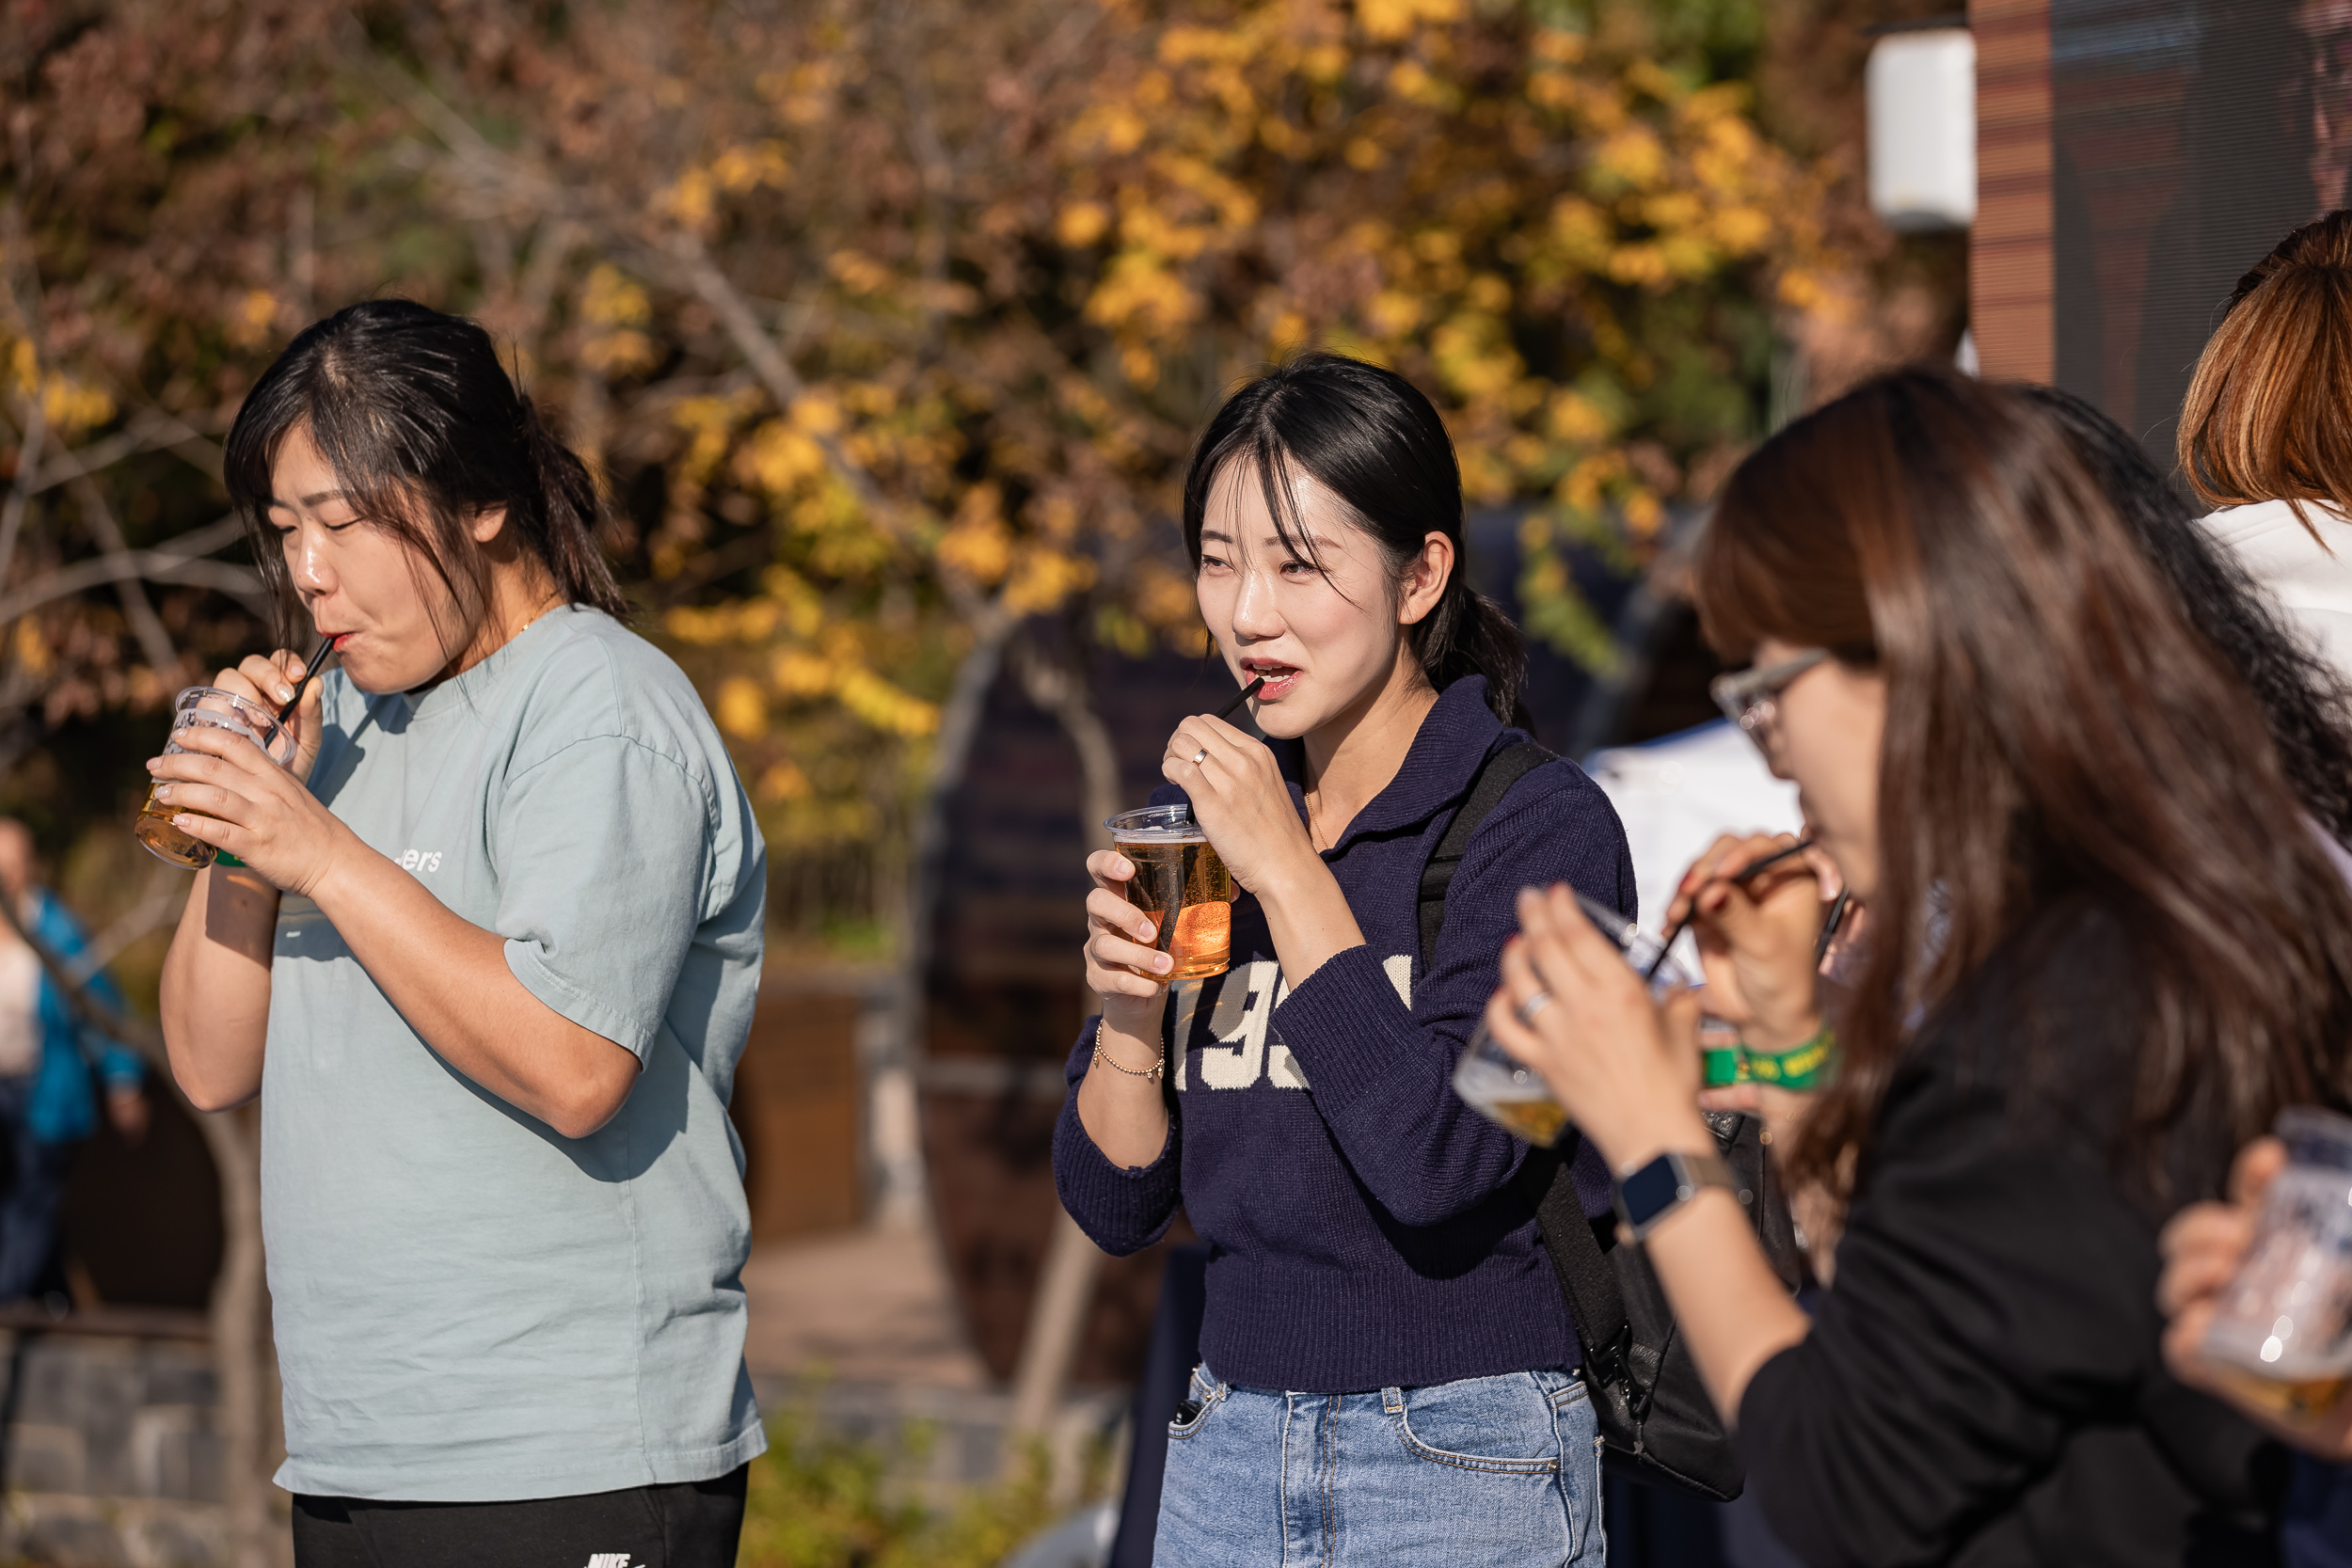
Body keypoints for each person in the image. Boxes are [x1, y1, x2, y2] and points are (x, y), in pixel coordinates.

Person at [1485, 367, 2352, 1565]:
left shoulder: (2070, 1001)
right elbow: (1917, 1309)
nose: (1764, 743)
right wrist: (1792, 1046)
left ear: (1913, 656)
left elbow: (1841, 1478)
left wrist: (1650, 1143)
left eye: (1769, 687)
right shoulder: (2160, 914)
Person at [152, 300, 768, 1568]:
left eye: (342, 520)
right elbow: (209, 1063)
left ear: (479, 498)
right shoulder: (345, 724)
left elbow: (573, 1062)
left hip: (573, 1447)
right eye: (284, 530)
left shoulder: (599, 708)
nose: (309, 571)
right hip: (359, 1439)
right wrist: (239, 832)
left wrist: (316, 846)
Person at [1053, 352, 1635, 1567]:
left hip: (1469, 1449)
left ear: (1421, 572)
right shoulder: (1220, 818)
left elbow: (1450, 1156)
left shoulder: (1544, 828)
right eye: (1217, 559)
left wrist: (1293, 877)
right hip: (1224, 1440)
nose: (1246, 612)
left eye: (1297, 563)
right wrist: (1124, 1020)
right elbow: (1115, 1204)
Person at [0, 819, 146, 1306]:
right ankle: (51, 1295)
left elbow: (101, 1008)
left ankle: (10, 1304)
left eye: (13, 861)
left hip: (45, 1087)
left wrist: (122, 1079)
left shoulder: (57, 932)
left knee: (34, 1197)